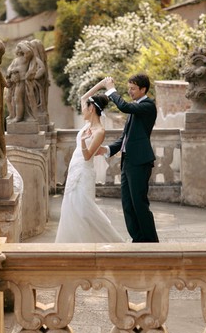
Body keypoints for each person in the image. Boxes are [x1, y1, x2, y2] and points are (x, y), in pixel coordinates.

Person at [55, 79, 125, 243]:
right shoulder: (87, 124)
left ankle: (111, 241)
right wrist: (101, 85)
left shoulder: (99, 131)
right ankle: (72, 243)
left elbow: (87, 156)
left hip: (84, 172)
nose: (82, 109)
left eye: (86, 107)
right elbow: (84, 97)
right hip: (74, 170)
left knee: (85, 210)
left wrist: (82, 142)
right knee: (71, 207)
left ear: (91, 108)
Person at [99, 74, 159, 243]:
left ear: (143, 89)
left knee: (139, 204)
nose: (130, 92)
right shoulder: (136, 107)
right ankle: (138, 239)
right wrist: (108, 148)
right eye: (129, 88)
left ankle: (151, 242)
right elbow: (126, 137)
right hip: (128, 161)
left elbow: (123, 106)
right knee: (127, 204)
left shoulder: (147, 106)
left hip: (140, 162)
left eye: (133, 89)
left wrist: (110, 89)